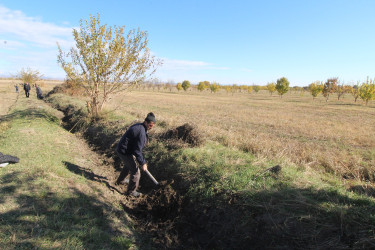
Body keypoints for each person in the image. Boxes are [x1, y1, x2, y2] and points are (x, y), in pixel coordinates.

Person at [115, 112, 156, 197]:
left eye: (153, 125)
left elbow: (135, 147)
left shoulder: (140, 126)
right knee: (136, 171)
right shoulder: (141, 131)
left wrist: (139, 159)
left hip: (124, 149)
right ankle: (131, 192)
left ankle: (120, 180)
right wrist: (143, 163)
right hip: (124, 151)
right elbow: (137, 151)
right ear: (146, 122)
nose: (151, 127)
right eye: (150, 125)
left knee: (128, 165)